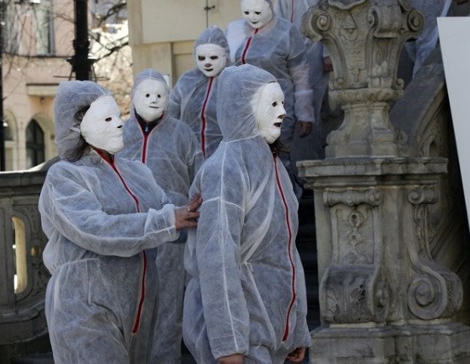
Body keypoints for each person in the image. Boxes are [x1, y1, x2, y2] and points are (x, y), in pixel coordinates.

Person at [38, 80, 201, 363]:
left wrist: (200, 214)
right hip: (85, 307)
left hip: (138, 307)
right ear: (76, 127)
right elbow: (94, 229)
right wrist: (167, 221)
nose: (119, 125)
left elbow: (170, 215)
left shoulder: (136, 172)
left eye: (118, 116)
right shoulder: (65, 176)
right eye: (107, 118)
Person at [183, 64, 310, 364]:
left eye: (283, 103)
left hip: (272, 333)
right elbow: (218, 259)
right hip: (241, 337)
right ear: (242, 109)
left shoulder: (274, 166)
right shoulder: (225, 169)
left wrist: (296, 329)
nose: (283, 113)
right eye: (272, 104)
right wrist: (228, 345)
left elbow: (287, 254)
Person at [120, 69, 203, 364]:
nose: (154, 100)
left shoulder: (183, 134)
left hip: (173, 229)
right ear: (133, 97)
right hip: (130, 229)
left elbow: (199, 179)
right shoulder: (119, 133)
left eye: (159, 95)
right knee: (130, 301)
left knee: (169, 304)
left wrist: (193, 214)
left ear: (168, 98)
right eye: (147, 94)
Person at [226, 0, 313, 197]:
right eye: (247, 12)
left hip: (279, 108)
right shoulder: (236, 31)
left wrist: (305, 113)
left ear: (268, 5)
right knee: (250, 163)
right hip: (245, 112)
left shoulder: (286, 31)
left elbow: (300, 74)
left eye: (257, 11)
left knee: (277, 160)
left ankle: (286, 207)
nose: (252, 17)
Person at [275, 0, 335, 162]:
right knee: (294, 108)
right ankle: (300, 168)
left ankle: (313, 166)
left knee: (314, 108)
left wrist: (329, 51)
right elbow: (279, 15)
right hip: (293, 54)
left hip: (315, 49)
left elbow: (330, 10)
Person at [168, 26, 230, 159]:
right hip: (189, 157)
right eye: (202, 58)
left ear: (225, 55)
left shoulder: (234, 81)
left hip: (225, 158)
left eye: (213, 57)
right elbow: (171, 116)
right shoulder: (187, 81)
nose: (207, 63)